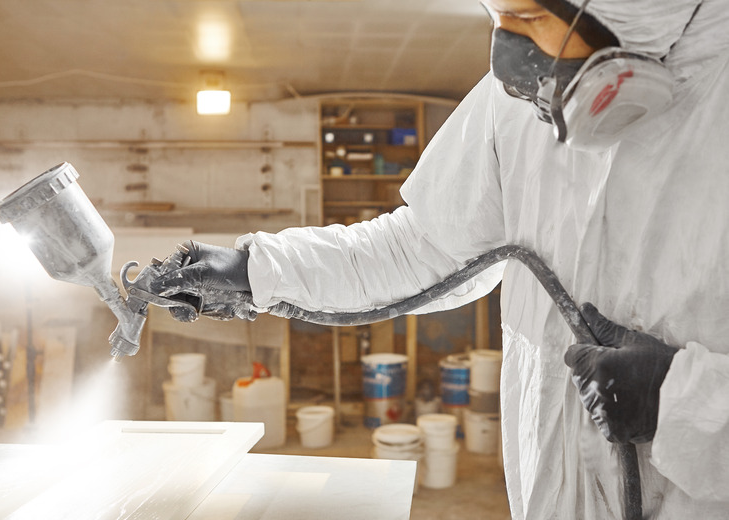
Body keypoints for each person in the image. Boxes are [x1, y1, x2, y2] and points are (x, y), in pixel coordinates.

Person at [151, 0, 729, 517]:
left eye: (528, 17)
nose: (507, 52)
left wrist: (684, 402)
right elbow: (423, 246)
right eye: (497, 14)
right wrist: (256, 272)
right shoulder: (514, 106)